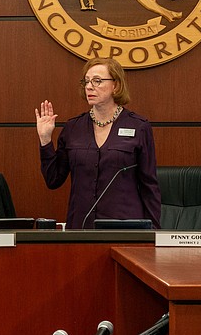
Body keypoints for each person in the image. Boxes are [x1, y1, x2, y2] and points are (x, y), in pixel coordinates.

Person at [36, 57, 161, 229]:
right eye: (86, 81)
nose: (89, 87)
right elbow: (53, 179)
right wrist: (45, 139)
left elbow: (149, 186)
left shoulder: (139, 127)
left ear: (115, 85)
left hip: (125, 228)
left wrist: (153, 232)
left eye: (97, 81)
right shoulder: (73, 128)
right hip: (82, 228)